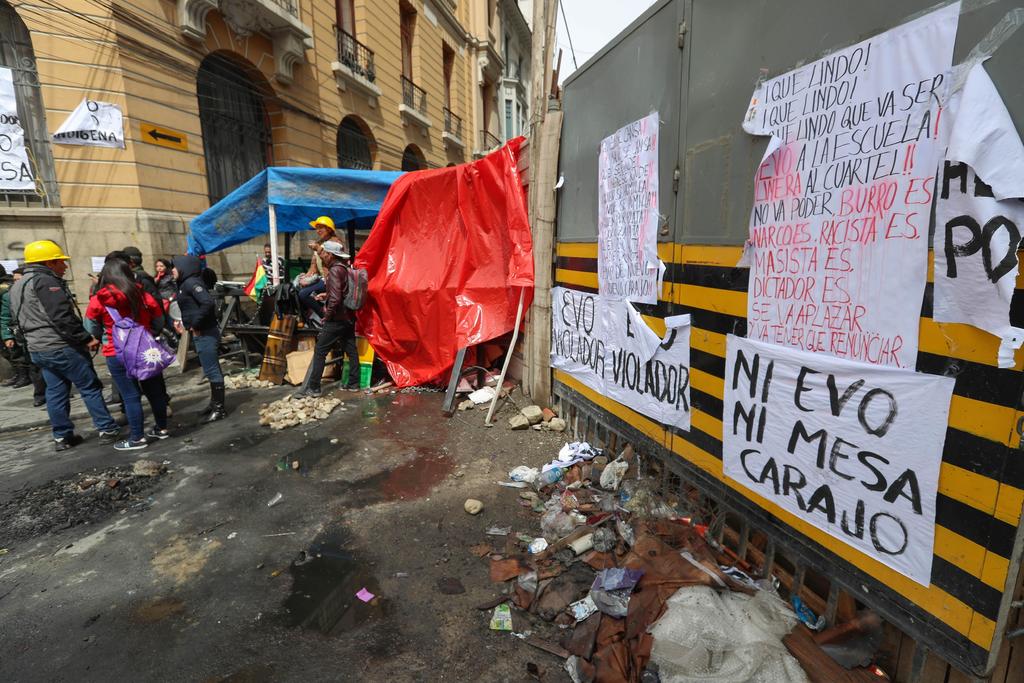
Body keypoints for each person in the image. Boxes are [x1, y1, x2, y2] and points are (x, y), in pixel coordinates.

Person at [9, 240, 120, 451]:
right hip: (60, 346)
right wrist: (86, 338)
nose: (65, 266)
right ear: (50, 262)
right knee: (89, 387)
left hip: (38, 349)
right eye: (61, 262)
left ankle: (62, 437)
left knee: (55, 391)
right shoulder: (45, 282)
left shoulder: (18, 285)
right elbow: (61, 317)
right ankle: (106, 429)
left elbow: (16, 319)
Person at [85, 259, 170, 450]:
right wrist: (150, 333)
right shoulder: (141, 294)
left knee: (130, 396)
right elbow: (159, 319)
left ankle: (137, 438)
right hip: (145, 350)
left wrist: (104, 336)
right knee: (155, 391)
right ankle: (162, 429)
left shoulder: (98, 299)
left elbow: (90, 326)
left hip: (116, 352)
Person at [294, 240, 360, 397]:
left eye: (324, 253)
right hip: (348, 316)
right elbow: (342, 292)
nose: (322, 256)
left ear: (331, 255)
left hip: (336, 318)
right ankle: (354, 384)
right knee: (351, 350)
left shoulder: (335, 270)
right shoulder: (344, 268)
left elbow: (336, 298)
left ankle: (314, 388)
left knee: (320, 351)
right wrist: (326, 294)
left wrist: (327, 316)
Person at [172, 255, 226, 421]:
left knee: (212, 369)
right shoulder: (185, 283)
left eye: (174, 267)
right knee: (209, 369)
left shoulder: (191, 283)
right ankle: (213, 403)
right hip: (200, 332)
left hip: (205, 332)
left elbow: (207, 303)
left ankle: (219, 409)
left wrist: (194, 324)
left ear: (183, 267)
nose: (172, 270)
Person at [1, 268, 47, 405]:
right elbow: (5, 317)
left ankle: (60, 391)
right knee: (33, 366)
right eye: (14, 280)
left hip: (43, 334)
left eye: (18, 279)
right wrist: (7, 336)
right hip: (23, 335)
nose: (16, 282)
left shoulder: (37, 292)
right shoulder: (8, 296)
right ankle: (40, 395)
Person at [297, 216, 345, 319]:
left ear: (328, 229)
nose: (318, 231)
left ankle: (325, 317)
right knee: (295, 289)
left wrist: (318, 249)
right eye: (317, 228)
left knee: (303, 294)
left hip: (332, 280)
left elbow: (332, 262)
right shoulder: (319, 243)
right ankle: (304, 319)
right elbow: (313, 266)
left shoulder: (336, 243)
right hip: (321, 279)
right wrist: (306, 277)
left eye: (320, 228)